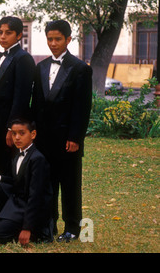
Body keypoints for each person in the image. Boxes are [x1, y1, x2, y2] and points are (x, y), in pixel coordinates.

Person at [31, 20, 92, 242]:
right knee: (46, 183)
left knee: (70, 184)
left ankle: (73, 228)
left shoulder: (80, 69)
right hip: (44, 139)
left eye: (58, 39)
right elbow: (37, 102)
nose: (53, 43)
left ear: (68, 39)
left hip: (67, 139)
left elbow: (82, 107)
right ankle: (48, 224)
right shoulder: (41, 67)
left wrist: (75, 137)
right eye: (49, 39)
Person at [0, 119, 53, 246]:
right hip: (17, 202)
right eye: (14, 134)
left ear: (33, 134)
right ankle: (5, 222)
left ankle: (35, 232)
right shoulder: (17, 155)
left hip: (29, 208)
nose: (17, 138)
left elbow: (36, 197)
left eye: (22, 133)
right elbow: (18, 181)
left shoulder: (37, 159)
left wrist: (27, 228)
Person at [0, 16, 35, 176]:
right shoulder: (0, 58)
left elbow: (21, 97)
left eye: (8, 33)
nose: (2, 36)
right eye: (0, 32)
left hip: (9, 126)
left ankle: (13, 201)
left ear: (19, 35)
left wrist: (12, 129)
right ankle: (2, 201)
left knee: (10, 171)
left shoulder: (23, 59)